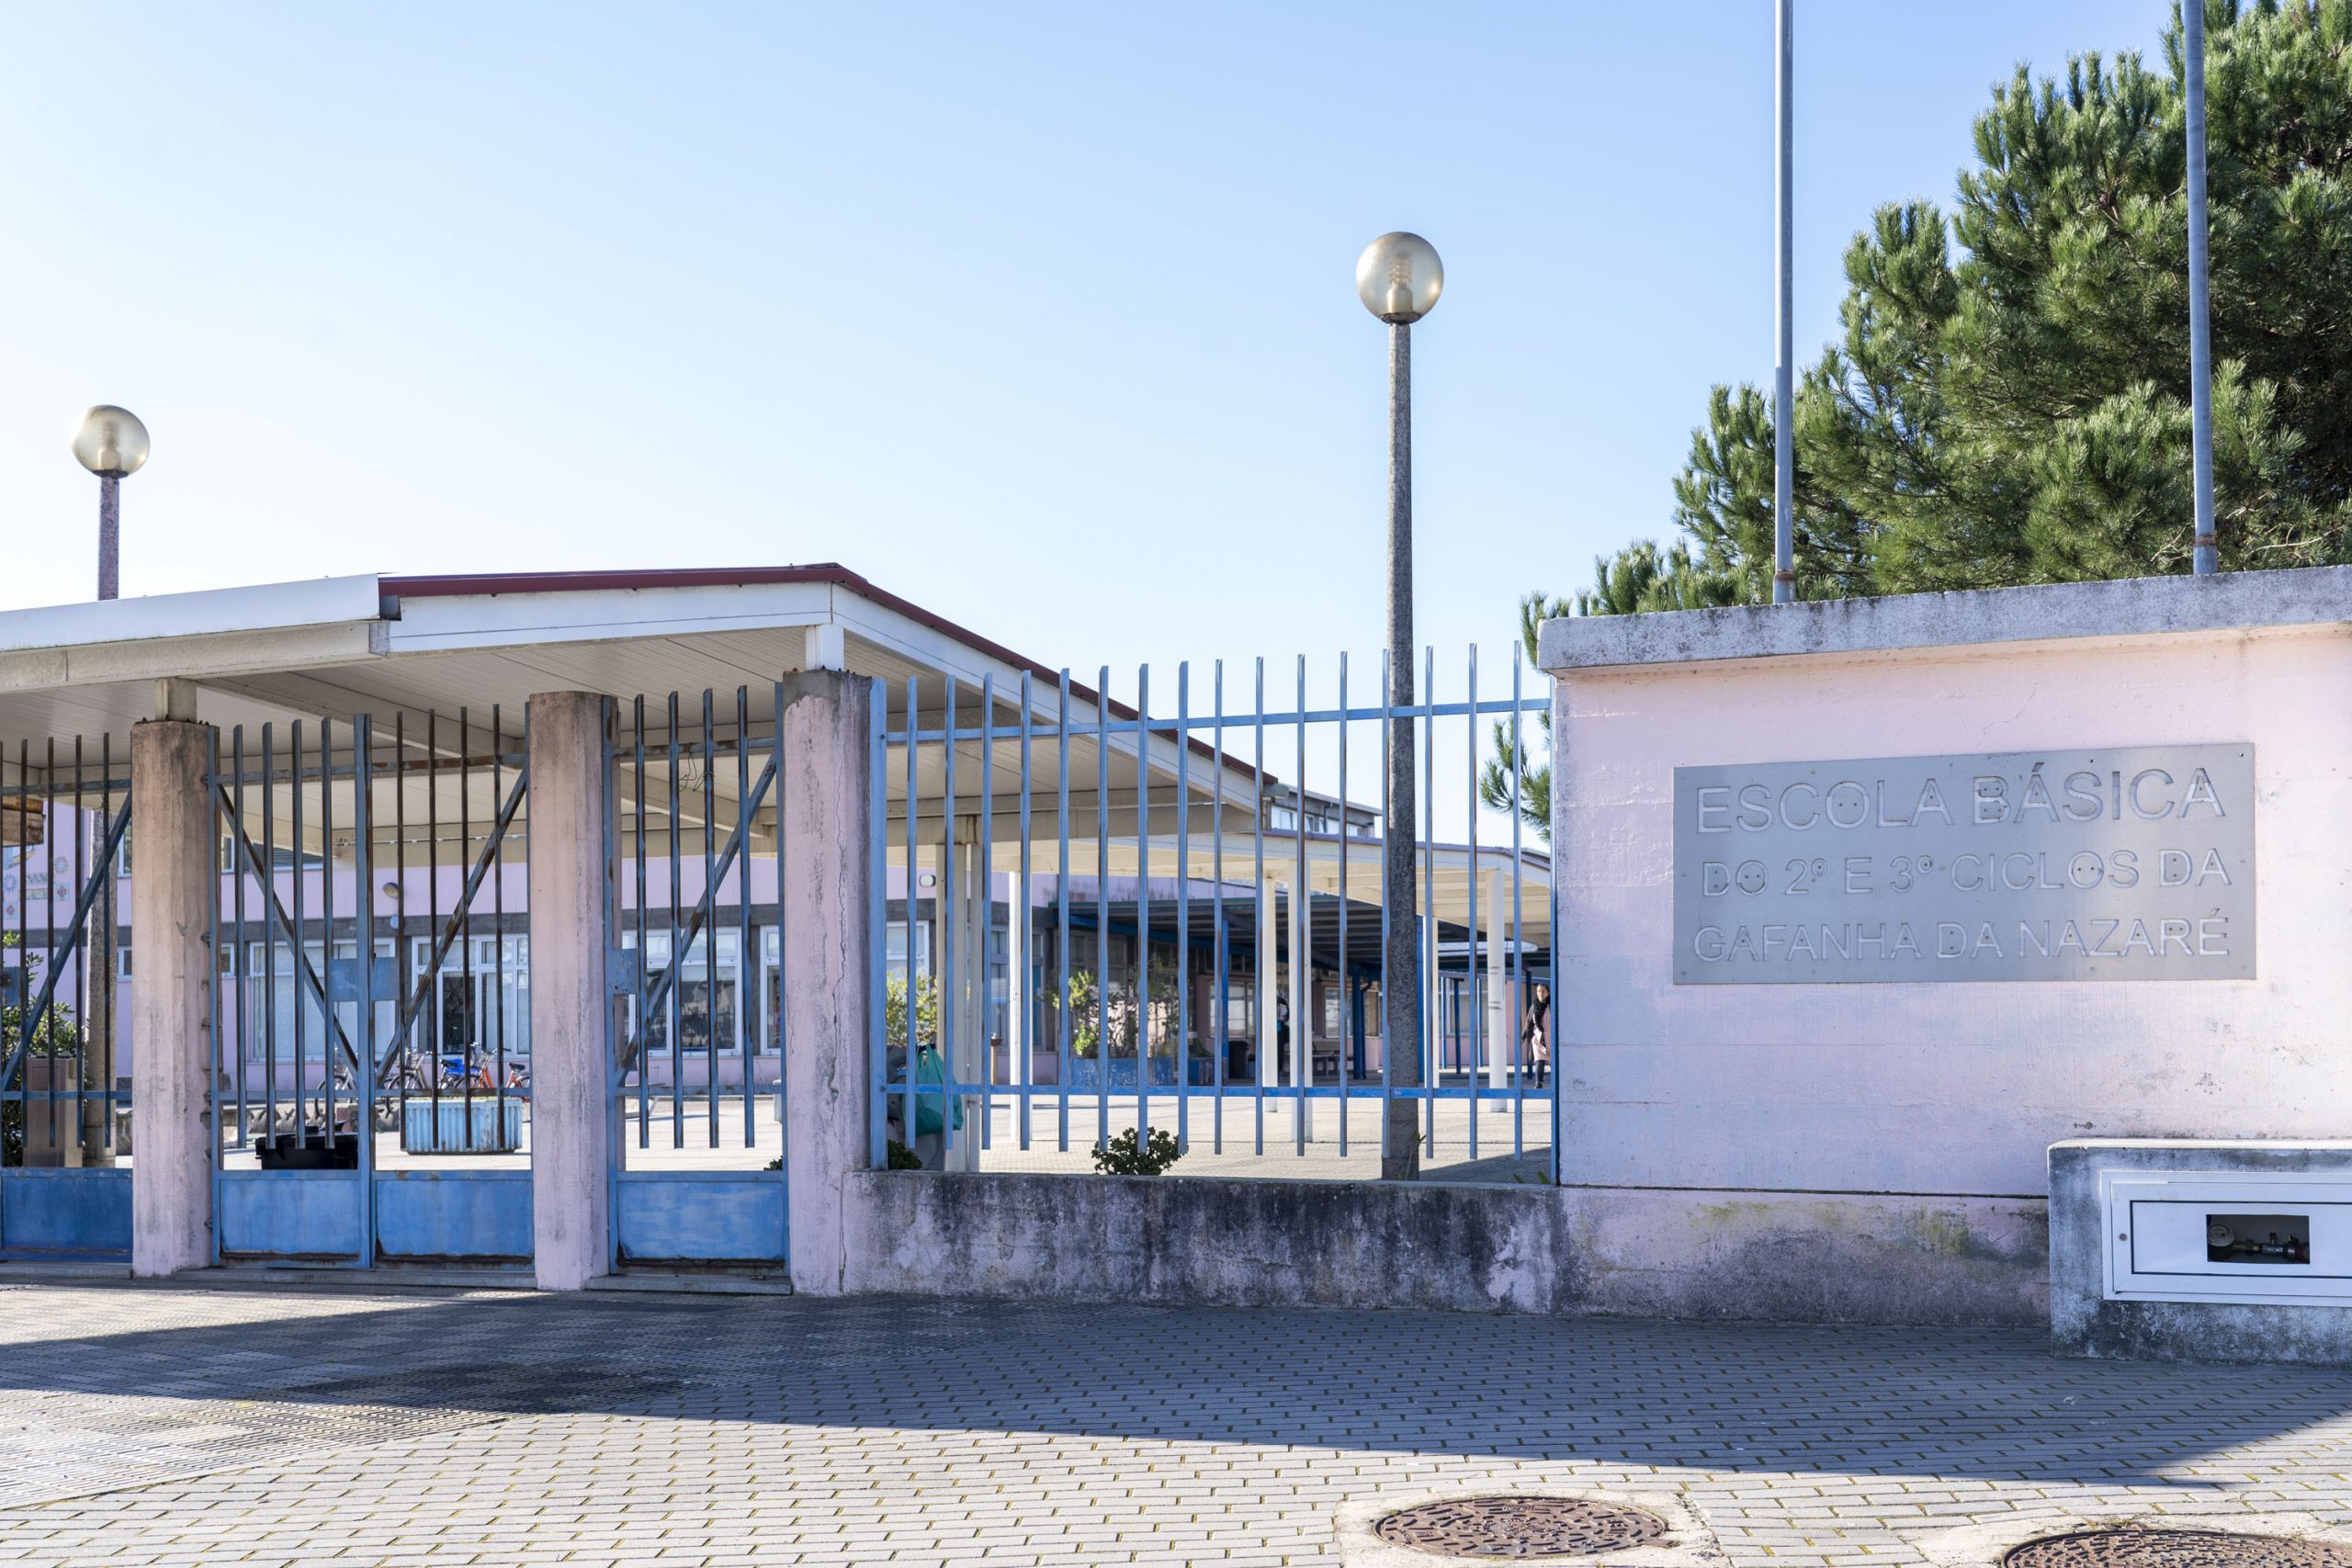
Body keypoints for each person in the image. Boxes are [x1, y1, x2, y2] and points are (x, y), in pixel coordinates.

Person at [1521, 982, 1552, 1089]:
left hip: (1551, 1038)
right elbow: (1529, 1021)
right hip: (1538, 1039)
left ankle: (1557, 1081)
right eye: (1539, 991)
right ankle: (1538, 1082)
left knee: (1554, 1061)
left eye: (1543, 991)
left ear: (1547, 993)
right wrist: (1523, 1035)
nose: (1540, 993)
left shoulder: (1552, 1005)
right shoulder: (1534, 1006)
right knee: (1539, 1060)